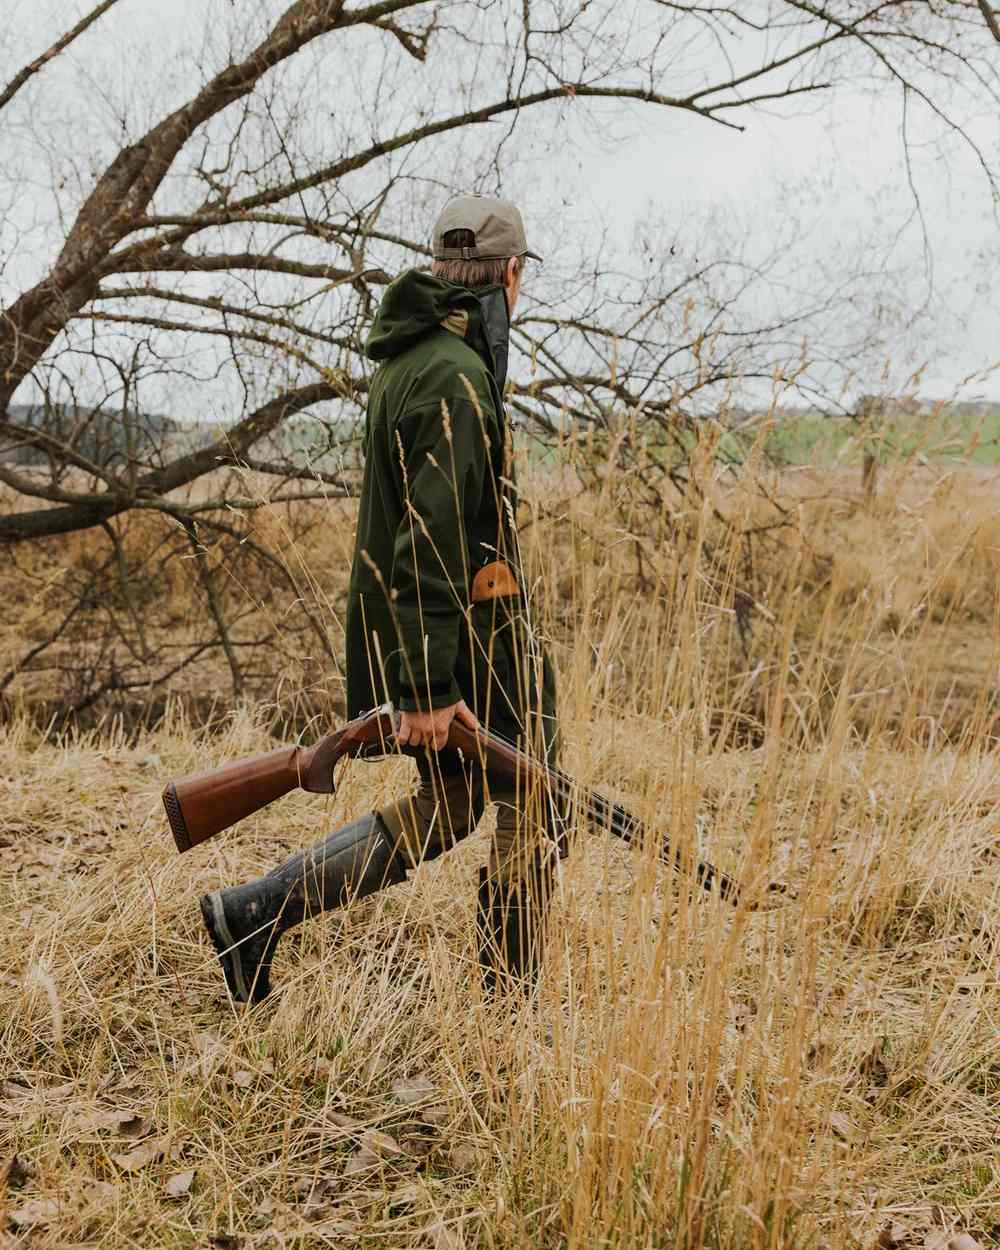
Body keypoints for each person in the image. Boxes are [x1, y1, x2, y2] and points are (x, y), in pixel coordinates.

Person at [200, 194, 562, 1006]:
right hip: (461, 637)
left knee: (462, 801)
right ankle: (510, 1015)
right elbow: (427, 541)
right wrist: (431, 689)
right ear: (509, 276)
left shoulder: (417, 359)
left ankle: (254, 914)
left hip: (445, 628)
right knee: (528, 799)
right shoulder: (455, 377)